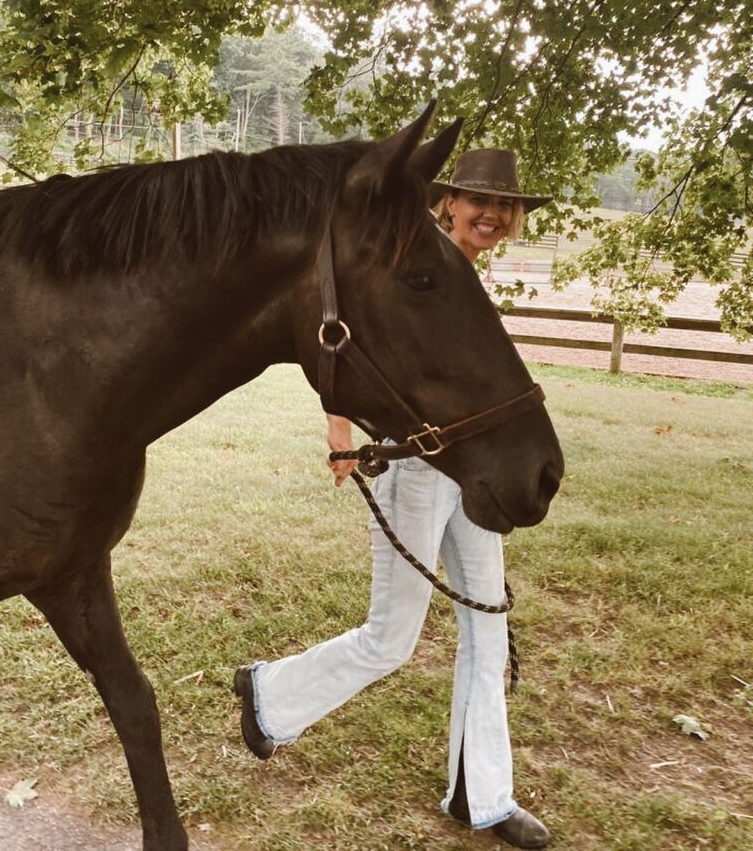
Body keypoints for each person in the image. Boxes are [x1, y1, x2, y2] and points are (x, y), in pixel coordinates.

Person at [234, 149, 554, 849]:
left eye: (503, 205)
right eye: (477, 200)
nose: (491, 214)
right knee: (392, 638)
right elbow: (338, 333)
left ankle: (483, 793)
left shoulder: (463, 276)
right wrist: (339, 431)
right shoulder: (414, 260)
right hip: (417, 471)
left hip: (470, 470)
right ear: (448, 203)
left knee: (487, 628)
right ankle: (270, 695)